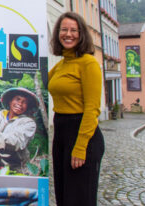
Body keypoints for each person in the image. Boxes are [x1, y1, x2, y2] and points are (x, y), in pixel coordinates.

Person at [48, 12, 104, 206]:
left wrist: (80, 148)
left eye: (73, 30)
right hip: (61, 133)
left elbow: (92, 109)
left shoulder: (88, 64)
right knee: (64, 197)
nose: (68, 34)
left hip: (82, 134)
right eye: (64, 30)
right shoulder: (62, 64)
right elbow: (40, 81)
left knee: (79, 199)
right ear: (57, 34)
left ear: (81, 35)